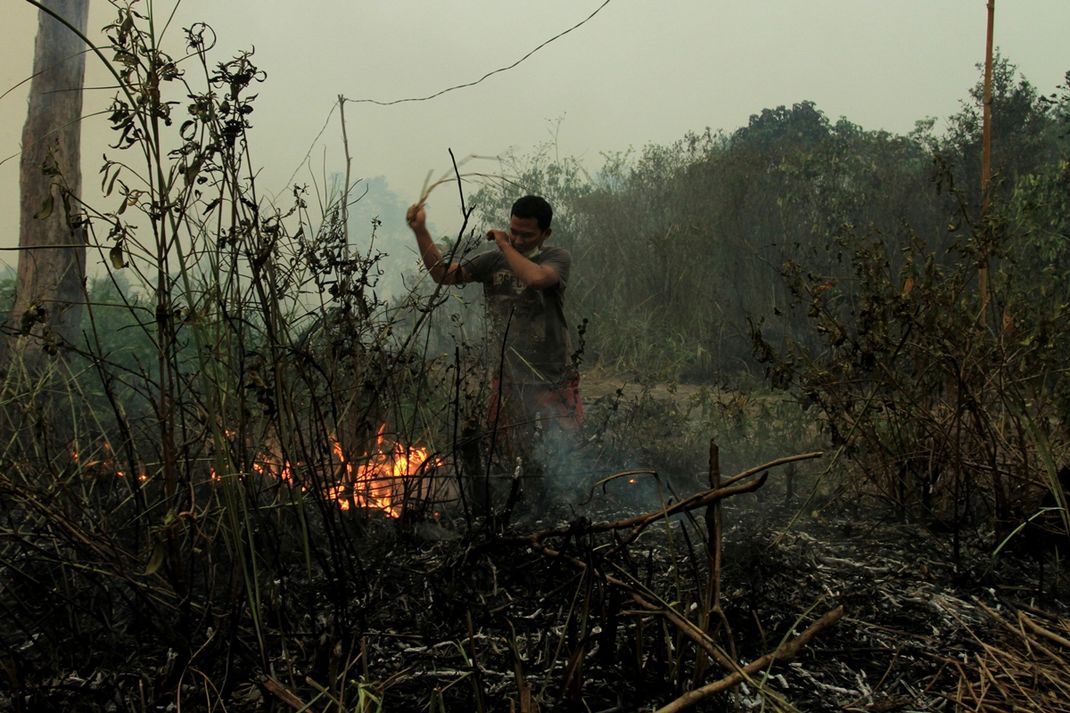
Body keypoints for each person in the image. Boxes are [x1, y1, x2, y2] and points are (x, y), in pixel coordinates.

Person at [405, 195, 583, 497]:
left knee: (566, 445)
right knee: (506, 446)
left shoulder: (555, 259)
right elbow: (443, 275)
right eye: (513, 231)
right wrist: (421, 231)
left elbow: (537, 279)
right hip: (510, 375)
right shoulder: (493, 261)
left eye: (527, 235)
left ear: (545, 234)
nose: (517, 238)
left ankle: (565, 501)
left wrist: (504, 245)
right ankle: (514, 502)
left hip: (553, 373)